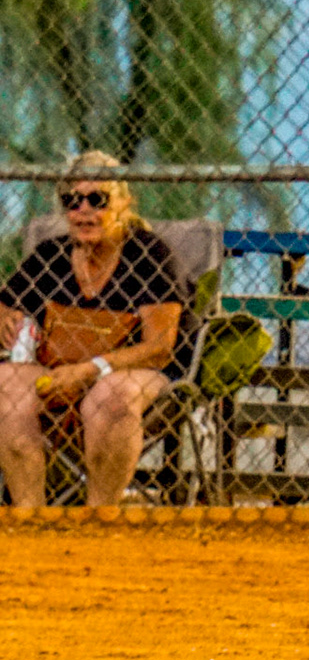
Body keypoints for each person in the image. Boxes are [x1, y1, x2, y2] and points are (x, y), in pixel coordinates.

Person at [0, 153, 188, 508]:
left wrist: (91, 369)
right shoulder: (51, 255)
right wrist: (4, 319)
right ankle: (30, 517)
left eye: (97, 199)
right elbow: (6, 302)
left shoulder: (149, 255)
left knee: (111, 395)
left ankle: (99, 519)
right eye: (72, 201)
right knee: (5, 382)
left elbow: (159, 347)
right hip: (57, 370)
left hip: (134, 373)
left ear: (124, 203)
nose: (83, 210)